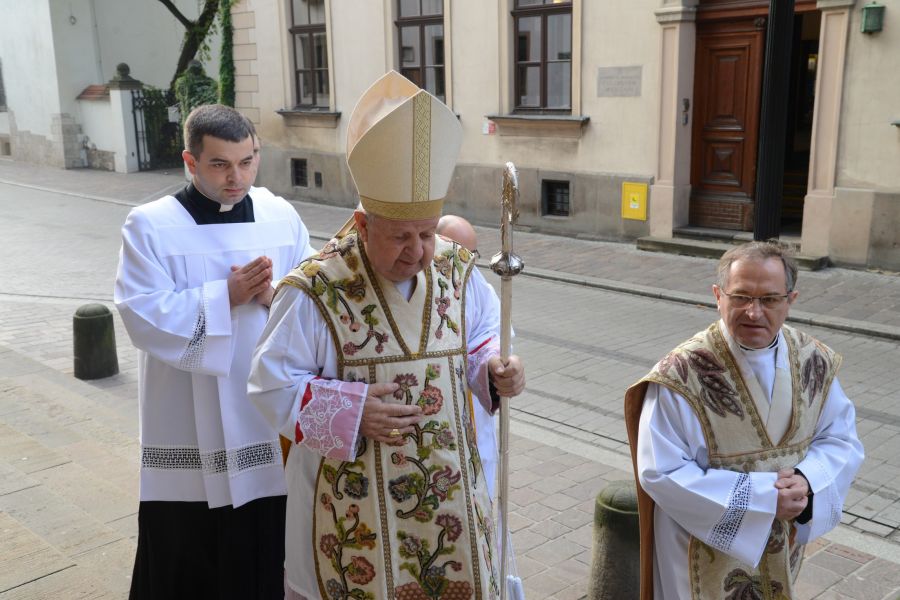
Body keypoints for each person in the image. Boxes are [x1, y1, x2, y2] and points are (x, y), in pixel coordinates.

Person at [249, 71, 525, 600]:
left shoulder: (458, 270)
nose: (419, 252)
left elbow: (483, 337)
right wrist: (350, 411)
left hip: (453, 508)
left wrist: (491, 369)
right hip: (356, 513)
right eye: (401, 235)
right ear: (362, 222)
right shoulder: (314, 289)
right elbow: (268, 385)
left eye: (426, 233)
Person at [114, 103, 315, 599]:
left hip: (265, 415)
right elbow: (141, 312)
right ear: (190, 161)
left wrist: (279, 295)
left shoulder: (280, 215)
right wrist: (223, 297)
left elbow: (313, 298)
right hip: (186, 416)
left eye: (246, 162)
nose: (236, 178)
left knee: (269, 545)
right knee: (190, 553)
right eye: (220, 165)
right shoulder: (150, 226)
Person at [624, 241, 864, 600]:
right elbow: (661, 471)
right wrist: (766, 499)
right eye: (740, 297)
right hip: (697, 548)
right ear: (718, 295)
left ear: (790, 300)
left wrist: (807, 480)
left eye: (769, 299)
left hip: (780, 545)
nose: (753, 312)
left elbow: (839, 439)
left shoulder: (814, 360)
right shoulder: (682, 373)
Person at [436, 215, 500, 501]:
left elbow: (494, 332)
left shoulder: (477, 284)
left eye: (472, 254)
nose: (465, 261)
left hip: (472, 411)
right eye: (457, 252)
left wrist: (496, 364)